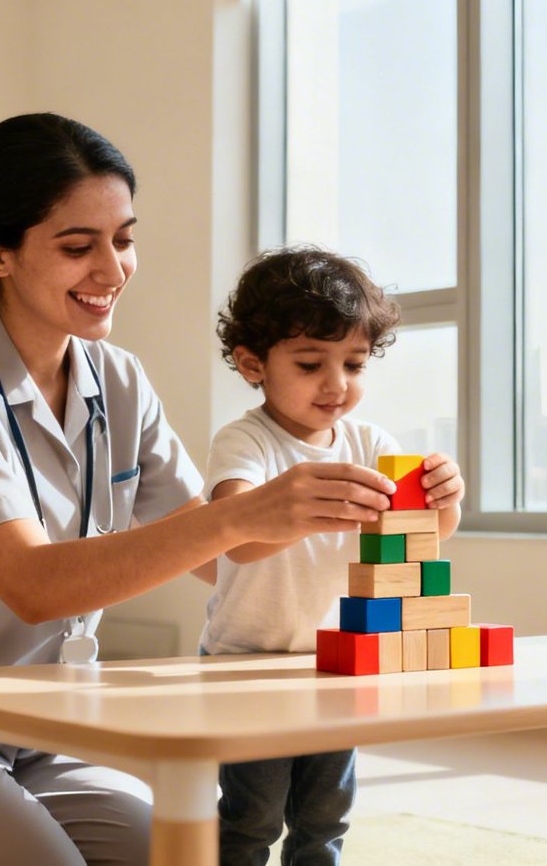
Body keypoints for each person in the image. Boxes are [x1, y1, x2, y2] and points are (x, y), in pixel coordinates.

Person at [0, 114, 396, 866]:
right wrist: (244, 513)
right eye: (79, 247)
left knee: (186, 855)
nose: (112, 271)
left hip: (40, 722)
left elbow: (218, 553)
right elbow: (34, 584)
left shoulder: (119, 379)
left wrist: (335, 509)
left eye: (124, 239)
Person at [195, 246, 465, 865]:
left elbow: (421, 537)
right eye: (312, 362)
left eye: (354, 363)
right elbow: (236, 533)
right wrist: (304, 510)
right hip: (247, 660)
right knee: (251, 819)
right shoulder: (245, 441)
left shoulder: (371, 442)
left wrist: (445, 497)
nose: (337, 384)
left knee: (325, 819)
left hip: (339, 662)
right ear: (252, 363)